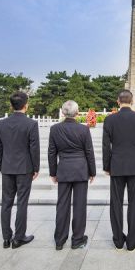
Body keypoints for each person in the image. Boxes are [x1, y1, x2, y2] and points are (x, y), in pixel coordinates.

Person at [103, 89, 135, 251]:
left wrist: (106, 166)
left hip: (116, 165)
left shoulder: (109, 120)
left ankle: (118, 240)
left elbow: (105, 146)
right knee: (134, 203)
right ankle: (131, 242)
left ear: (118, 101)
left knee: (116, 202)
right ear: (132, 101)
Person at [49, 100, 96, 251]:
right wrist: (92, 171)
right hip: (80, 170)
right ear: (77, 112)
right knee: (79, 205)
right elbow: (89, 151)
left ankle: (59, 240)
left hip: (63, 169)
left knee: (62, 205)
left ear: (63, 112)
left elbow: (52, 152)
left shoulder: (55, 129)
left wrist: (53, 172)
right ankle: (77, 239)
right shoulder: (83, 129)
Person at [0, 92, 40, 249]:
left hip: (7, 167)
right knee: (22, 202)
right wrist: (36, 168)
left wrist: (0, 165)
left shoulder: (1, 124)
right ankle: (19, 237)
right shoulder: (31, 124)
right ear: (26, 105)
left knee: (6, 202)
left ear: (11, 105)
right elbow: (34, 148)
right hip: (24, 167)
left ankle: (6, 238)